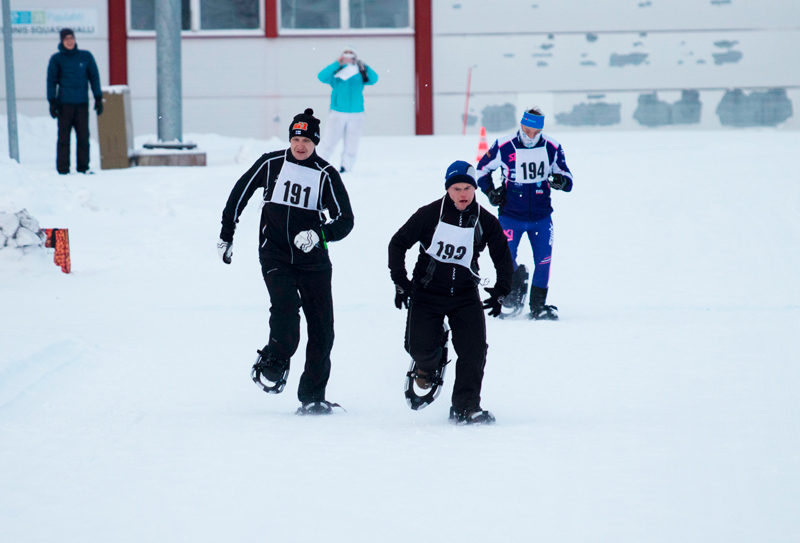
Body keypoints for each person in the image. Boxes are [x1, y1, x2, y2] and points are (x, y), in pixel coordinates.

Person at [217, 108, 354, 415]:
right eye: (295, 138)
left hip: (314, 261)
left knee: (322, 328)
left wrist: (320, 234)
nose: (300, 145)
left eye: (306, 140)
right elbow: (240, 193)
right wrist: (228, 233)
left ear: (316, 142)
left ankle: (313, 397)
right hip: (274, 252)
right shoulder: (270, 163)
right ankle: (275, 358)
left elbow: (346, 220)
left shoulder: (326, 174)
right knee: (286, 309)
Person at [388, 160, 514, 425]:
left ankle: (465, 406)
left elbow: (503, 256)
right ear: (448, 189)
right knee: (417, 348)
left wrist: (501, 290)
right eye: (456, 188)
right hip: (426, 292)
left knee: (474, 349)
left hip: (465, 295)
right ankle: (430, 360)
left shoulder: (484, 220)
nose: (462, 194)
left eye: (468, 188)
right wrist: (401, 281)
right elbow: (398, 243)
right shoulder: (429, 214)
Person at [476, 107, 574, 320]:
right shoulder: (503, 145)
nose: (530, 136)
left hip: (541, 217)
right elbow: (481, 170)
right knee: (504, 258)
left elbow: (568, 178)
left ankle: (538, 306)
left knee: (543, 260)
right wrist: (491, 193)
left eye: (535, 132)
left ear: (541, 130)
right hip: (511, 216)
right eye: (526, 130)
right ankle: (516, 282)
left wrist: (561, 181)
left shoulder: (552, 147)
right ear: (521, 125)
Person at [46, 28, 103, 175]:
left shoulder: (86, 56)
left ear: (75, 39)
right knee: (64, 138)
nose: (70, 41)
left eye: (71, 38)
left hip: (82, 104)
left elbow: (94, 77)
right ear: (62, 41)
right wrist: (52, 102)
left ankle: (83, 167)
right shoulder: (56, 59)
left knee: (83, 137)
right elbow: (51, 81)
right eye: (66, 39)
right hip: (64, 104)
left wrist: (98, 97)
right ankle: (63, 169)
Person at [316, 49, 378, 173]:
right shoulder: (336, 72)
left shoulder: (360, 71)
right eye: (346, 55)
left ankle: (346, 167)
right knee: (329, 142)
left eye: (351, 55)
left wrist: (363, 65)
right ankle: (319, 166)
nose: (348, 58)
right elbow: (321, 77)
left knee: (352, 144)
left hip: (356, 114)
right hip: (337, 113)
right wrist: (337, 63)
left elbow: (374, 79)